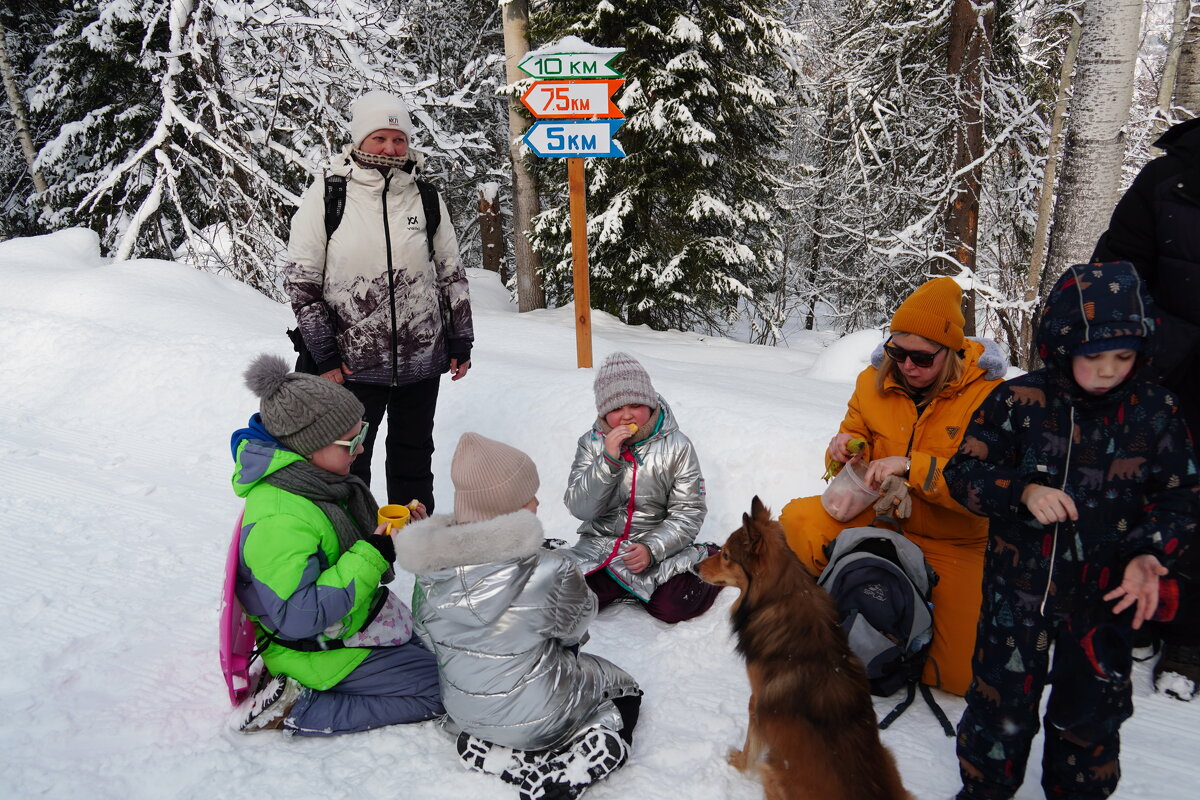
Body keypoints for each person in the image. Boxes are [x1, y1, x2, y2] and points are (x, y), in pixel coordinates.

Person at [943, 261, 1198, 799]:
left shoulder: (1156, 412)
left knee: (1091, 715)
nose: (1108, 370)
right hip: (1018, 595)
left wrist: (1150, 553)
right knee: (998, 706)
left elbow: (1182, 496)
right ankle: (985, 787)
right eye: (1093, 357)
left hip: (1106, 599)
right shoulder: (1019, 403)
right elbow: (964, 473)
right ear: (1062, 347)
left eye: (1123, 357)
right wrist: (1023, 492)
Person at [778, 277, 1008, 696]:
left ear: (952, 351)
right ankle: (834, 605)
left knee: (956, 677)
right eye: (897, 352)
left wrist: (909, 466)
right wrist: (842, 451)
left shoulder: (991, 397)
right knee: (799, 519)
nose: (906, 366)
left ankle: (894, 620)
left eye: (921, 357)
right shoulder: (872, 382)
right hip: (881, 518)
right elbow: (848, 441)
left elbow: (984, 491)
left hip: (952, 538)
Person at [395, 432, 641, 800]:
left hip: (463, 711)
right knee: (624, 687)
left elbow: (427, 636)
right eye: (528, 497)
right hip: (542, 714)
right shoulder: (550, 569)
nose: (538, 501)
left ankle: (495, 749)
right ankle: (586, 751)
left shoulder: (429, 571)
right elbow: (578, 623)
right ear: (508, 509)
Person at [229, 353, 444, 735]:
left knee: (438, 652)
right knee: (444, 690)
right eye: (353, 440)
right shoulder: (281, 519)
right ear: (309, 446)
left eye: (363, 432)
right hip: (311, 650)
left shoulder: (312, 486)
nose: (361, 449)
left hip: (349, 624)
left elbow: (331, 550)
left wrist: (387, 535)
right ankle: (299, 706)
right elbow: (298, 615)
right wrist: (372, 555)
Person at [284, 89, 473, 513]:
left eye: (399, 139)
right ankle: (361, 553)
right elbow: (302, 282)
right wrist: (326, 356)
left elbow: (451, 273)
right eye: (380, 138)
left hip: (421, 360)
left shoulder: (424, 198)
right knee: (350, 460)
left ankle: (417, 549)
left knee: (414, 457)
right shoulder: (328, 196)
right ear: (359, 139)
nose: (390, 148)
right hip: (352, 366)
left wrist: (461, 342)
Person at [1092, 117, 1200, 699]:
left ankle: (1189, 633)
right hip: (1163, 370)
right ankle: (1135, 609)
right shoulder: (1168, 179)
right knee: (1138, 487)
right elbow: (1117, 275)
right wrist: (1162, 345)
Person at [563, 352, 721, 623]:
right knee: (568, 601)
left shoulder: (677, 446)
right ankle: (618, 585)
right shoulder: (591, 443)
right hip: (603, 548)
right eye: (615, 409)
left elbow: (689, 511)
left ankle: (711, 557)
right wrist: (608, 460)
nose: (626, 416)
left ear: (649, 402)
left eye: (635, 404)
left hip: (659, 550)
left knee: (673, 607)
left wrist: (652, 549)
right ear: (603, 412)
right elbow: (580, 508)